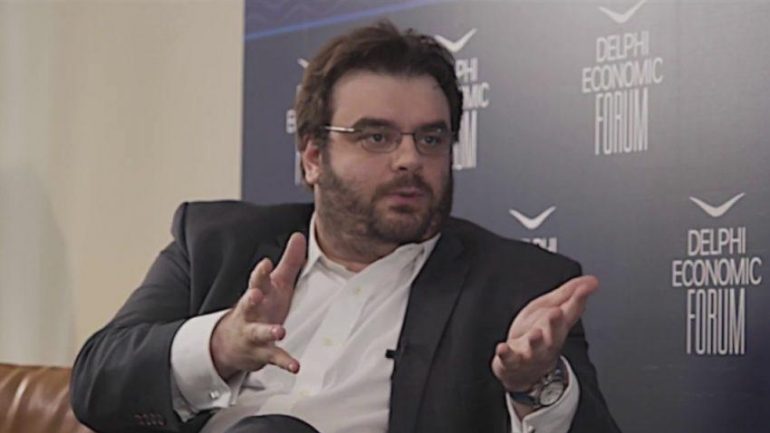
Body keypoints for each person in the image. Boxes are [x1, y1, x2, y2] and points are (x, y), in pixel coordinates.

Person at [71, 21, 620, 433]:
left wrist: (534, 386)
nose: (409, 159)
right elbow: (96, 386)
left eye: (430, 138)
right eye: (376, 137)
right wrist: (222, 345)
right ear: (313, 156)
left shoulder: (517, 286)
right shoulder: (217, 243)